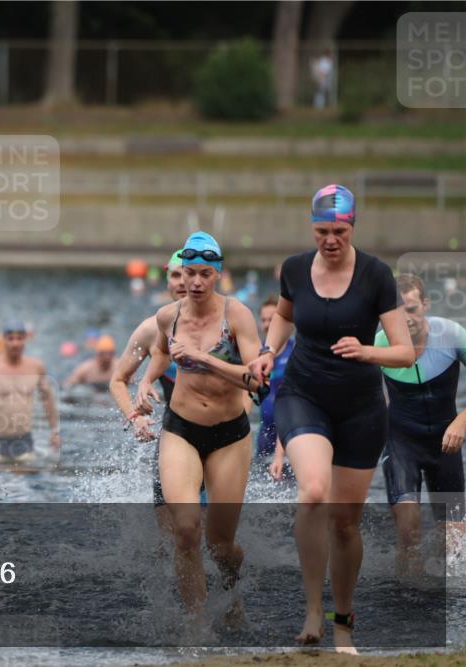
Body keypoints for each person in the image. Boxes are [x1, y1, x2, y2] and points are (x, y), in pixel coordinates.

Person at [248, 184, 414, 652]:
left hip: (361, 408)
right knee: (314, 491)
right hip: (304, 395)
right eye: (322, 231)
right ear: (312, 228)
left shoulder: (376, 275)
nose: (330, 240)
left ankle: (343, 619)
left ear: (352, 226)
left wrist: (367, 350)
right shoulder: (296, 269)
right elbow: (283, 316)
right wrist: (267, 351)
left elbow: (405, 352)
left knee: (345, 522)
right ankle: (312, 611)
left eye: (339, 231)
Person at [134, 232, 263, 622]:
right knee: (186, 532)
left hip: (229, 436)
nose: (195, 282)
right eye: (189, 272)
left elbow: (256, 380)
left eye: (205, 274)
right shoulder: (168, 315)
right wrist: (143, 382)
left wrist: (204, 360)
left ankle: (232, 591)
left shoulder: (236, 315)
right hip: (181, 430)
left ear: (218, 275)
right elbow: (159, 351)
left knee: (221, 545)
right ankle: (197, 624)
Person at [376, 273, 466, 576]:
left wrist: (461, 421)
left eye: (411, 309)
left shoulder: (451, 334)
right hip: (402, 444)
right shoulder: (380, 342)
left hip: (446, 444)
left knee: (454, 546)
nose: (405, 319)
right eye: (397, 311)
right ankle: (407, 597)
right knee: (408, 532)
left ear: (425, 305)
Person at [111, 251, 188, 529]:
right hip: (175, 432)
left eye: (188, 274)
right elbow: (118, 379)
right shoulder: (149, 329)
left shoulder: (227, 324)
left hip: (221, 434)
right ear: (166, 280)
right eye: (175, 275)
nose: (182, 282)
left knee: (216, 537)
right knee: (169, 529)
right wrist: (136, 416)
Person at [0, 322, 61, 463]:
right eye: (11, 338)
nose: (15, 343)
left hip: (24, 440)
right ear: (4, 340)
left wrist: (55, 431)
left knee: (27, 479)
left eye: (19, 338)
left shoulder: (36, 367)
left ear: (25, 340)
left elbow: (48, 400)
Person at [257, 294, 295, 464]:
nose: (266, 325)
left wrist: (280, 454)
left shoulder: (295, 352)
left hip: (290, 436)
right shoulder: (257, 353)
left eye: (271, 320)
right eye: (263, 320)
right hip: (264, 436)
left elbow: (291, 404)